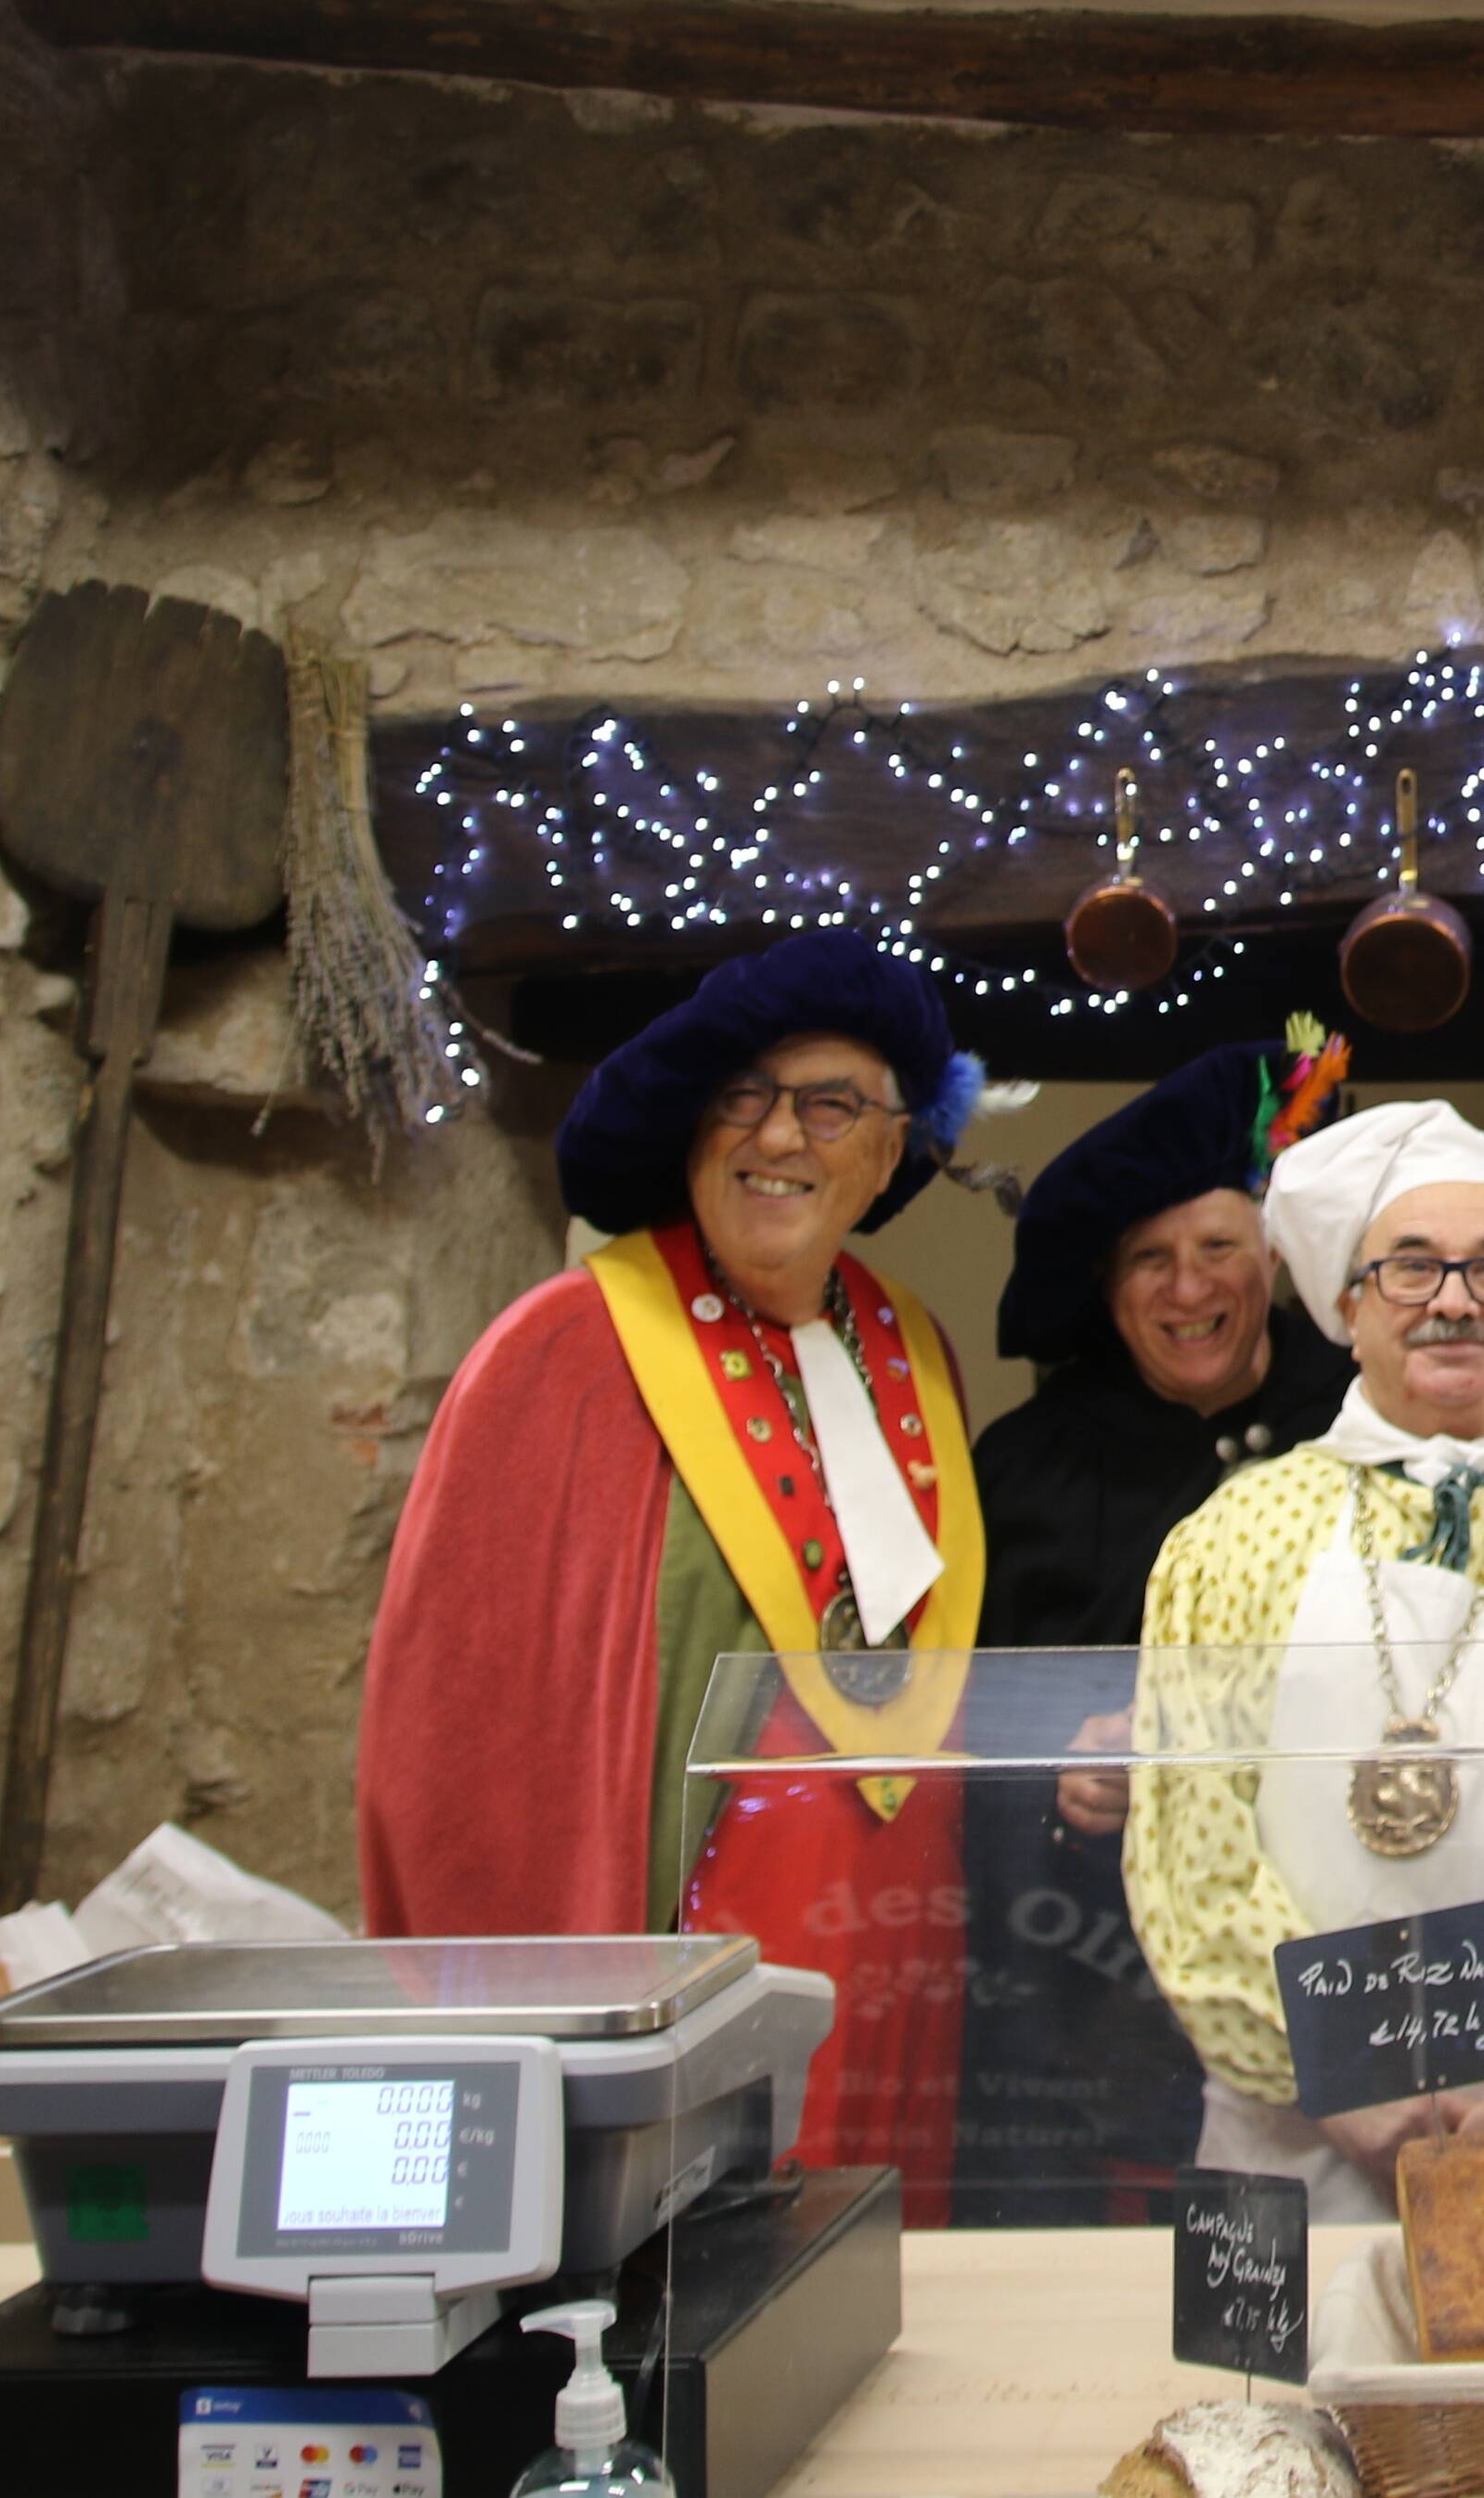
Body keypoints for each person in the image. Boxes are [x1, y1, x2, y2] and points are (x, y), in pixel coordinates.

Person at [358, 927, 990, 2220]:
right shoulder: (561, 1349)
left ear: (890, 1152)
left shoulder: (915, 1346)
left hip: (892, 1946)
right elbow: (449, 1744)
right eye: (741, 1099)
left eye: (830, 1106)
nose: (778, 1136)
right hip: (678, 1966)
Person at [1129, 1099, 1484, 2220]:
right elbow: (1187, 1856)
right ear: (1349, 1310)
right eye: (1410, 1269)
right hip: (1298, 2130)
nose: (1454, 1300)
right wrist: (1335, 2072)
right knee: (1293, 2351)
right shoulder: (1231, 1536)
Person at [955, 1029, 1357, 2227]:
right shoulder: (1024, 1467)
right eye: (1149, 1260)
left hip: (1330, 1931)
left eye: (1216, 1249)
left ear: (1270, 1255)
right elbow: (954, 1714)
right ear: (1106, 1286)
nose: (1188, 1290)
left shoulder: (1363, 1424)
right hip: (1082, 1970)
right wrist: (1051, 1777)